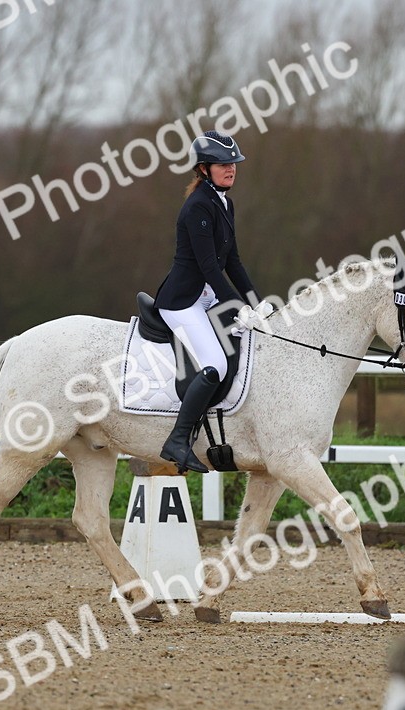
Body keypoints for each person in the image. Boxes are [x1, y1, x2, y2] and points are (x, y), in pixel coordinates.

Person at [152, 130, 262, 473]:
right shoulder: (197, 207)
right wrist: (238, 306)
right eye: (223, 164)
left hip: (208, 298)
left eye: (234, 163)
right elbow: (209, 267)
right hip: (182, 302)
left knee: (247, 346)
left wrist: (257, 304)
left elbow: (234, 262)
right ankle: (178, 440)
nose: (231, 169)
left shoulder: (225, 203)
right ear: (204, 168)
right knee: (216, 364)